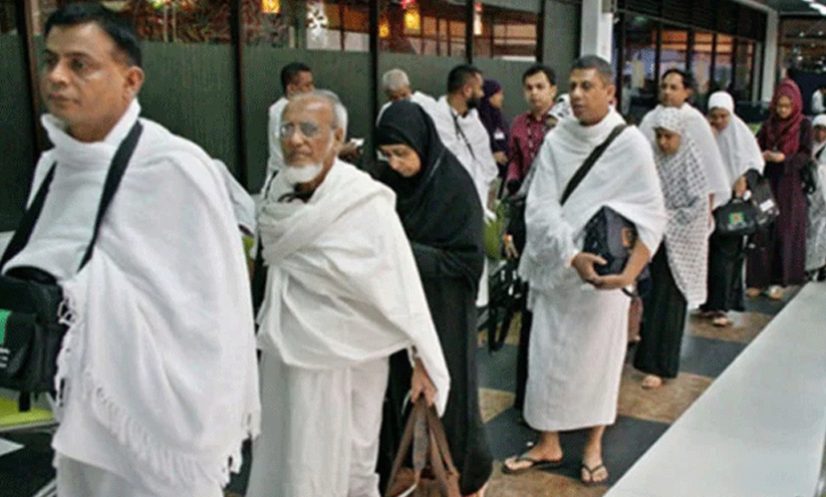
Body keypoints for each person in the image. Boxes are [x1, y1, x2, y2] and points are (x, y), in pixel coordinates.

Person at [1, 4, 260, 496]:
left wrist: (85, 299)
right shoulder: (55, 167)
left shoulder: (174, 167)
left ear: (131, 80)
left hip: (161, 423)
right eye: (50, 60)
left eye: (80, 64)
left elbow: (214, 312)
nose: (57, 77)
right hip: (83, 409)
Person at [247, 91, 450, 497]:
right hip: (285, 355)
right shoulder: (275, 193)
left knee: (351, 464)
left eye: (309, 129)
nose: (295, 139)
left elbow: (402, 285)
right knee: (287, 456)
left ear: (337, 137)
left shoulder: (363, 201)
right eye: (287, 129)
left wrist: (423, 358)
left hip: (351, 360)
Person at [502, 55, 666, 485]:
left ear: (610, 92)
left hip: (604, 281)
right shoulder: (558, 140)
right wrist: (570, 254)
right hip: (558, 269)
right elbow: (540, 206)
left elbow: (652, 216)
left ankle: (593, 447)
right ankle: (548, 442)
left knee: (598, 365)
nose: (575, 95)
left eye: (586, 86)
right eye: (572, 85)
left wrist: (628, 276)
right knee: (546, 359)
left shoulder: (630, 145)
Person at [376, 100, 493, 497]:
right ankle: (405, 472)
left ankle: (462, 476)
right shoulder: (384, 183)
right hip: (397, 308)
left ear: (422, 145)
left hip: (445, 308)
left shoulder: (453, 187)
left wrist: (403, 251)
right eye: (387, 155)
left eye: (401, 153)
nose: (394, 164)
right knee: (399, 389)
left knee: (449, 394)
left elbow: (467, 260)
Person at [633, 108, 711, 389]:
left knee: (670, 304)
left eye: (669, 137)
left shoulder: (691, 161)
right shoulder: (653, 159)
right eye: (659, 136)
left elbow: (698, 208)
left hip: (682, 242)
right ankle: (646, 361)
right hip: (655, 240)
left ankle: (663, 365)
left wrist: (666, 217)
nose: (663, 143)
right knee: (652, 299)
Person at [424, 64, 499, 307]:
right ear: (467, 90)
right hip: (446, 208)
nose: (482, 94)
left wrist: (489, 200)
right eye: (479, 88)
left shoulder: (474, 122)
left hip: (475, 205)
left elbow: (485, 164)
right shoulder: (435, 119)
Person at [699, 91, 764, 326]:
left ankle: (721, 307)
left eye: (723, 116)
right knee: (707, 256)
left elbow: (756, 163)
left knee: (726, 258)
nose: (718, 121)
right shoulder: (704, 133)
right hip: (707, 202)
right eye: (714, 116)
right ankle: (707, 303)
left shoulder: (741, 134)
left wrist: (744, 179)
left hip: (732, 205)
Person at [747, 79, 811, 300]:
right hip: (767, 184)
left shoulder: (803, 125)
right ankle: (757, 280)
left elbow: (805, 154)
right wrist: (763, 155)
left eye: (787, 106)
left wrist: (785, 159)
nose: (783, 110)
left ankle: (779, 279)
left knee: (784, 232)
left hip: (790, 185)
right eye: (779, 105)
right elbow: (756, 146)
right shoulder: (769, 124)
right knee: (762, 229)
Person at [639, 68, 731, 210]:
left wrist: (707, 209)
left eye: (673, 88)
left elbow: (710, 168)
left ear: (687, 92)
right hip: (654, 199)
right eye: (664, 87)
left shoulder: (695, 121)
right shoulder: (650, 119)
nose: (667, 92)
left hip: (689, 202)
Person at [505, 64, 558, 195]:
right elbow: (514, 159)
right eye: (529, 88)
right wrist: (513, 178)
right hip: (527, 193)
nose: (534, 92)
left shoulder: (563, 121)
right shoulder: (518, 123)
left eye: (540, 87)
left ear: (553, 91)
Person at [267, 62, 314, 178]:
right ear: (291, 89)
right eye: (307, 86)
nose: (312, 90)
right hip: (286, 179)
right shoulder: (283, 112)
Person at [806, 114, 826, 281]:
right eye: (817, 129)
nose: (820, 134)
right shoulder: (808, 147)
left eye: (824, 130)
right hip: (811, 197)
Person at [478, 79, 509, 174]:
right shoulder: (478, 119)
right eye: (499, 94)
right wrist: (491, 157)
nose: (502, 98)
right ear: (489, 96)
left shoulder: (500, 118)